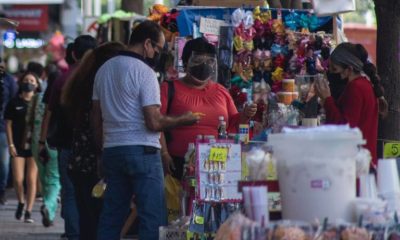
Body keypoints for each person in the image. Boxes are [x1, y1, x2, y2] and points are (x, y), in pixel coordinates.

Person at [92, 21, 199, 240]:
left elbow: (96, 117)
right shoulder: (145, 73)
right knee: (152, 217)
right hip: (143, 153)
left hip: (113, 150)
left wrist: (101, 151)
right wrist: (184, 119)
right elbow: (154, 122)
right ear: (147, 44)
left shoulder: (104, 70)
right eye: (157, 49)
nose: (157, 54)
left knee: (112, 216)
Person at [160, 37, 258, 180]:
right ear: (186, 62)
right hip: (178, 164)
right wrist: (164, 154)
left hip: (217, 164)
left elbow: (232, 124)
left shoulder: (221, 91)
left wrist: (246, 114)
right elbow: (157, 124)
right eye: (198, 61)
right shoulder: (168, 88)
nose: (204, 65)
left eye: (209, 61)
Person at [61, 41, 126, 240]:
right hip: (97, 163)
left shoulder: (81, 83)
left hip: (79, 161)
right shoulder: (101, 87)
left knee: (87, 219)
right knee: (103, 220)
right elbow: (98, 127)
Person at [39, 35, 97, 240]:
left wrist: (41, 141)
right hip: (95, 147)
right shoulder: (98, 77)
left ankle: (74, 234)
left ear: (73, 54)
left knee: (71, 193)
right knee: (94, 193)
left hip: (66, 145)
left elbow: (50, 111)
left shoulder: (63, 78)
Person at [315, 42, 388, 167]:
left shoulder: (356, 88)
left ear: (348, 70)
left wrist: (327, 99)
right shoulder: (363, 85)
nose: (331, 73)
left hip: (357, 164)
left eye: (335, 69)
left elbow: (345, 128)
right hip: (362, 160)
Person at [5, 72, 41, 223]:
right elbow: (8, 124)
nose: (29, 83)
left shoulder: (40, 104)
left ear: (37, 85)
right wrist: (11, 144)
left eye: (32, 80)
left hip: (33, 146)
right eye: (26, 80)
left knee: (31, 179)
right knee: (18, 179)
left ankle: (28, 211)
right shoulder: (14, 103)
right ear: (21, 83)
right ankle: (21, 201)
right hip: (17, 146)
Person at [0, 60, 17, 205]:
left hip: (3, 128)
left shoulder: (9, 80)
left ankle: (1, 190)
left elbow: (13, 102)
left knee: (4, 163)